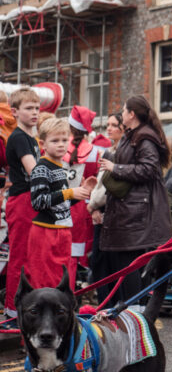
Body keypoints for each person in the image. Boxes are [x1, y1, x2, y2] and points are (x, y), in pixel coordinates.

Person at [98, 96, 172, 305]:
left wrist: (115, 168)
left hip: (136, 213)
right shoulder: (134, 135)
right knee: (126, 267)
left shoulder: (144, 137)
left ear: (132, 114)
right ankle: (130, 314)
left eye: (123, 111)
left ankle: (134, 316)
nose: (121, 114)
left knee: (130, 266)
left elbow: (149, 169)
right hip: (129, 210)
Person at [26, 118, 91, 289]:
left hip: (63, 231)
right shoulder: (41, 168)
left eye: (64, 140)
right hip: (45, 232)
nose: (61, 145)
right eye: (55, 141)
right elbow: (38, 201)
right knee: (45, 279)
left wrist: (81, 193)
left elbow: (62, 204)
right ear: (43, 144)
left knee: (61, 278)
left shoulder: (61, 167)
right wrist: (69, 192)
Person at [3, 87, 40, 321]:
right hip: (22, 200)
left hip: (31, 200)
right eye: (29, 108)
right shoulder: (18, 138)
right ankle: (13, 310)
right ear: (15, 112)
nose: (35, 112)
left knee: (31, 257)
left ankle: (24, 308)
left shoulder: (31, 138)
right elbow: (34, 171)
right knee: (19, 257)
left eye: (37, 108)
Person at [64, 105, 104, 285]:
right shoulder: (95, 152)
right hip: (82, 209)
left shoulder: (58, 145)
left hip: (60, 203)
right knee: (74, 257)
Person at [88, 112, 123, 304]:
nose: (108, 128)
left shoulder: (115, 154)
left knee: (104, 263)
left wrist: (92, 205)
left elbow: (103, 187)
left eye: (113, 125)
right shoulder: (108, 152)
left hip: (108, 213)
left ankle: (106, 306)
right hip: (102, 212)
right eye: (107, 124)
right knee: (102, 262)